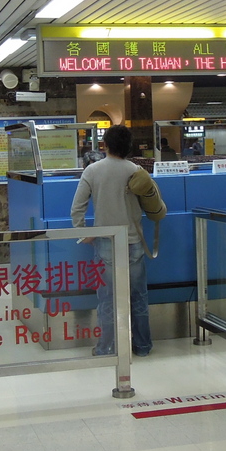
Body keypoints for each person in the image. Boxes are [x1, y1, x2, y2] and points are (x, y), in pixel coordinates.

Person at [69, 123, 151, 357]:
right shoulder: (135, 170)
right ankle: (142, 346)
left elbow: (77, 208)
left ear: (105, 145)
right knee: (138, 297)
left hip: (105, 241)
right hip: (133, 240)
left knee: (107, 300)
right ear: (128, 146)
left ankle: (107, 347)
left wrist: (83, 233)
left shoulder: (92, 170)